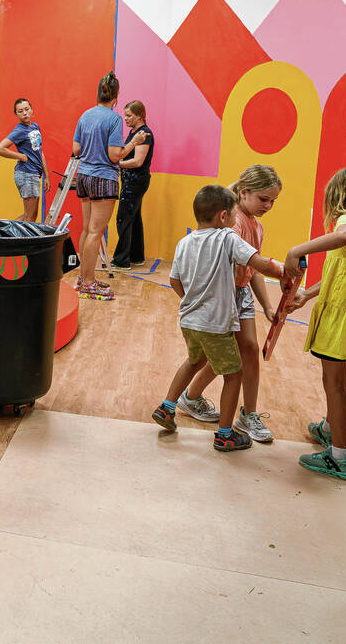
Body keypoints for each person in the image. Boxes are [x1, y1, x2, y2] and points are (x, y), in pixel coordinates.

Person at [151, 185, 287, 452]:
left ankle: (167, 407)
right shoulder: (227, 237)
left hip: (189, 320)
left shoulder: (184, 242)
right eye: (234, 215)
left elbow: (174, 280)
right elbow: (259, 264)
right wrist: (286, 270)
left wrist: (191, 301)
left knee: (194, 361)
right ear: (224, 216)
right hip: (215, 323)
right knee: (234, 374)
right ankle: (225, 435)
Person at [283, 168, 346, 481]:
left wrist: (297, 250)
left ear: (337, 196)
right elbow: (343, 271)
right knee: (336, 378)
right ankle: (329, 428)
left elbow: (343, 236)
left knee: (335, 383)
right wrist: (307, 294)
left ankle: (339, 457)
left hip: (340, 314)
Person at [71, 72, 146, 299]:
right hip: (103, 179)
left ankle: (84, 278)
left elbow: (76, 149)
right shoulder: (113, 119)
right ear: (116, 96)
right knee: (96, 232)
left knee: (87, 230)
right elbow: (115, 155)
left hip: (83, 176)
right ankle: (88, 282)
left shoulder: (85, 115)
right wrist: (134, 142)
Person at [110, 100, 155, 271]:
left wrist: (116, 164)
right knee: (134, 218)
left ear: (139, 116)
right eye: (125, 115)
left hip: (135, 182)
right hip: (131, 181)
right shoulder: (133, 133)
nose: (126, 118)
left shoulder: (144, 134)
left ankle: (121, 260)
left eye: (129, 115)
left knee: (124, 218)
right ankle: (137, 256)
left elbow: (137, 161)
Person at [0, 97, 44, 222]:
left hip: (34, 174)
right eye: (20, 111)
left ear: (32, 110)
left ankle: (4, 232)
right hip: (26, 174)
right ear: (16, 114)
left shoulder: (35, 127)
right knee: (29, 217)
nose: (25, 113)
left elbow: (40, 151)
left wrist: (46, 176)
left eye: (27, 109)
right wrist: (20, 156)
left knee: (31, 216)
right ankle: (5, 233)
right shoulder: (20, 130)